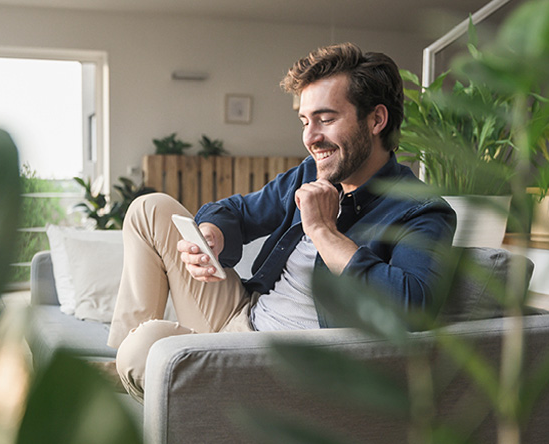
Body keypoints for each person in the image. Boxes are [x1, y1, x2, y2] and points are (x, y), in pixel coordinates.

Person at [105, 42, 456, 402]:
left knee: (145, 350)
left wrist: (323, 231)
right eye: (305, 121)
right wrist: (213, 235)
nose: (310, 137)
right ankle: (121, 364)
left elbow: (411, 309)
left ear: (376, 120)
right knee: (150, 208)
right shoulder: (311, 173)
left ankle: (131, 366)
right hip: (243, 311)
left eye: (326, 119)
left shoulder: (421, 210)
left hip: (278, 361)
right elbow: (237, 211)